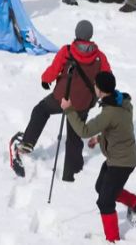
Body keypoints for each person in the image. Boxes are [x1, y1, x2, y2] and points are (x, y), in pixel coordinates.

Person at [61, 72, 136, 242]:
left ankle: (112, 240)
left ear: (100, 90)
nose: (94, 88)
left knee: (105, 202)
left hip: (122, 162)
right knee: (102, 188)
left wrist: (68, 109)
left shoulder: (110, 112)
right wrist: (99, 138)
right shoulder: (121, 101)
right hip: (117, 157)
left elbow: (84, 130)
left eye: (95, 85)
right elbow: (119, 128)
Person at [17, 20, 112, 181]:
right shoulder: (99, 57)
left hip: (61, 98)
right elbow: (108, 78)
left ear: (76, 33)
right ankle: (72, 170)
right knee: (75, 134)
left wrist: (45, 80)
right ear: (90, 36)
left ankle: (28, 143)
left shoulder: (67, 51)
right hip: (83, 102)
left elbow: (53, 71)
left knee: (41, 110)